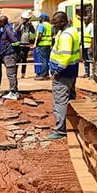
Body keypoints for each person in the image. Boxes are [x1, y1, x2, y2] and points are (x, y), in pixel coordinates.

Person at [47, 11, 80, 140]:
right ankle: (72, 125)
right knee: (70, 98)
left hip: (63, 73)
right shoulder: (71, 31)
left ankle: (60, 130)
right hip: (72, 71)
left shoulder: (66, 35)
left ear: (62, 22)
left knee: (60, 101)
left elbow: (65, 56)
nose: (53, 26)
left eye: (55, 23)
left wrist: (57, 71)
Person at [0, 16, 20, 100]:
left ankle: (13, 92)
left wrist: (13, 50)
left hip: (9, 55)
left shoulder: (8, 30)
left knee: (11, 74)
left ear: (3, 22)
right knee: (11, 74)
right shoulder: (5, 29)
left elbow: (15, 41)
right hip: (6, 54)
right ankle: (14, 91)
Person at [14, 10, 36, 78]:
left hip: (26, 44)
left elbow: (33, 32)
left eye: (27, 19)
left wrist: (31, 25)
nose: (26, 20)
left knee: (24, 59)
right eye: (25, 19)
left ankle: (23, 73)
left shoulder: (28, 25)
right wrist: (21, 24)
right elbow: (15, 30)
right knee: (17, 59)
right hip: (19, 43)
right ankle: (15, 73)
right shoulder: (17, 23)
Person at [34, 13, 52, 80]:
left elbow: (40, 35)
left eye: (40, 18)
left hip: (42, 45)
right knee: (47, 60)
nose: (39, 19)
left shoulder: (41, 25)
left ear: (43, 18)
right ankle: (46, 74)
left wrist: (37, 43)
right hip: (48, 44)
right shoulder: (50, 26)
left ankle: (43, 75)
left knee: (43, 60)